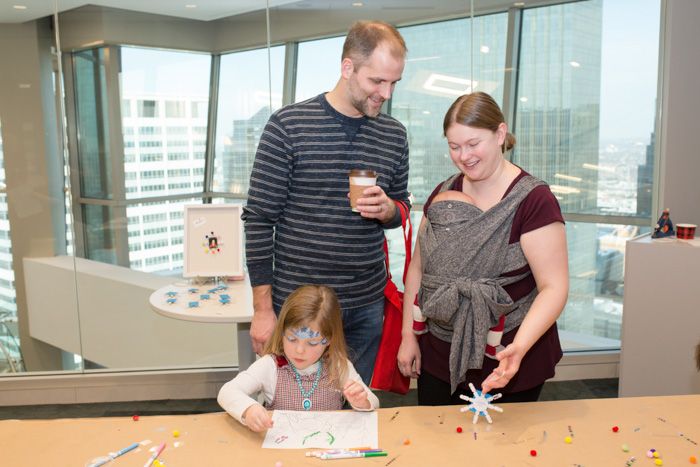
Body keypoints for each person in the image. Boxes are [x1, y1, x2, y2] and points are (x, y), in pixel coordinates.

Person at [242, 20, 411, 384]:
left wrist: (388, 211)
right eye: (377, 81)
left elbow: (402, 207)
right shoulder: (288, 126)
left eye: (394, 82)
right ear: (347, 67)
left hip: (365, 303)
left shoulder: (394, 134)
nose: (387, 93)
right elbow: (258, 220)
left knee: (353, 410)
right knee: (295, 410)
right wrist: (261, 310)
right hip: (301, 307)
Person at [397, 92, 569, 405]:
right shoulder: (445, 192)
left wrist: (520, 346)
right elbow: (419, 270)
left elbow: (554, 287)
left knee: (504, 451)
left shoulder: (533, 201)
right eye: (454, 146)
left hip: (509, 355)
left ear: (500, 134)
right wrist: (408, 334)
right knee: (438, 447)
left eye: (473, 143)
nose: (463, 156)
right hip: (440, 356)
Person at [217, 285, 380, 432]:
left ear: (329, 339)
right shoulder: (270, 366)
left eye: (312, 343)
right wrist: (248, 409)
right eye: (292, 339)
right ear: (281, 332)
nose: (300, 350)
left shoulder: (338, 365)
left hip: (324, 450)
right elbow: (227, 391)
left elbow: (374, 402)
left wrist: (361, 402)